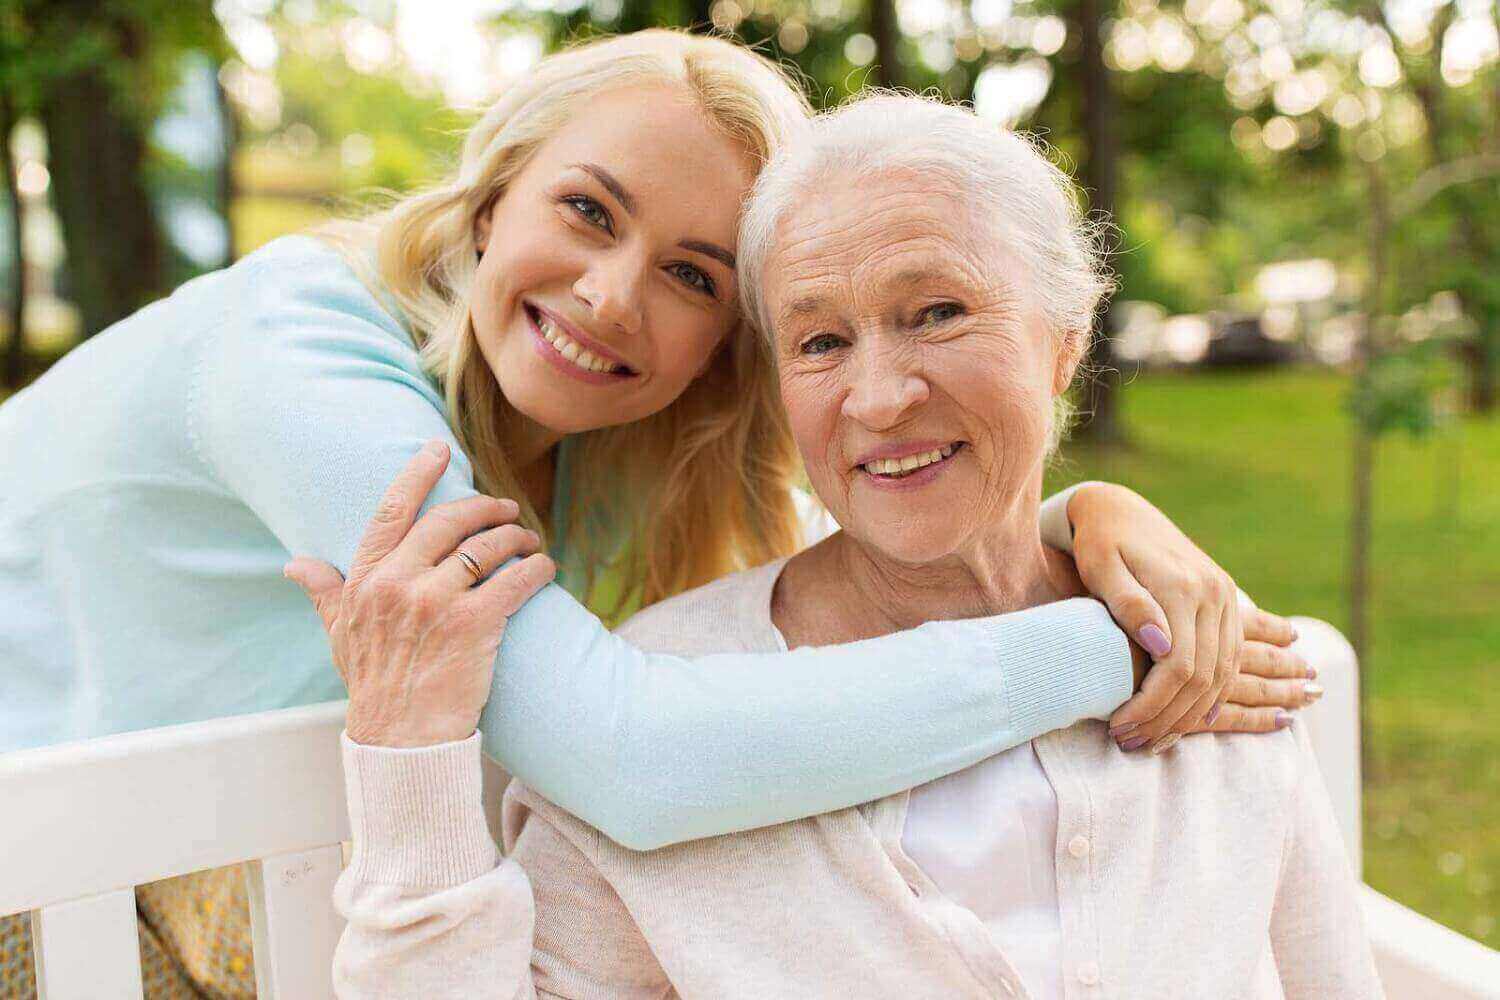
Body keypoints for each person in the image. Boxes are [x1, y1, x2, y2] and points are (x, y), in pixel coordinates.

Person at [0, 32, 1310, 997]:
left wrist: (1085, 517)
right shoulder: (293, 348)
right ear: (491, 193)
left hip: (180, 878)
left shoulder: (616, 450)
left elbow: (893, 557)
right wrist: (1115, 646)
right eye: (586, 211)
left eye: (691, 275)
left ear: (726, 347)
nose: (615, 299)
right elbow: (633, 755)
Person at [318, 92, 1377, 998]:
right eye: (822, 340)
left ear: (1064, 345)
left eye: (937, 311)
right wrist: (408, 767)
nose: (879, 397)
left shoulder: (1208, 654)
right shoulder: (674, 698)